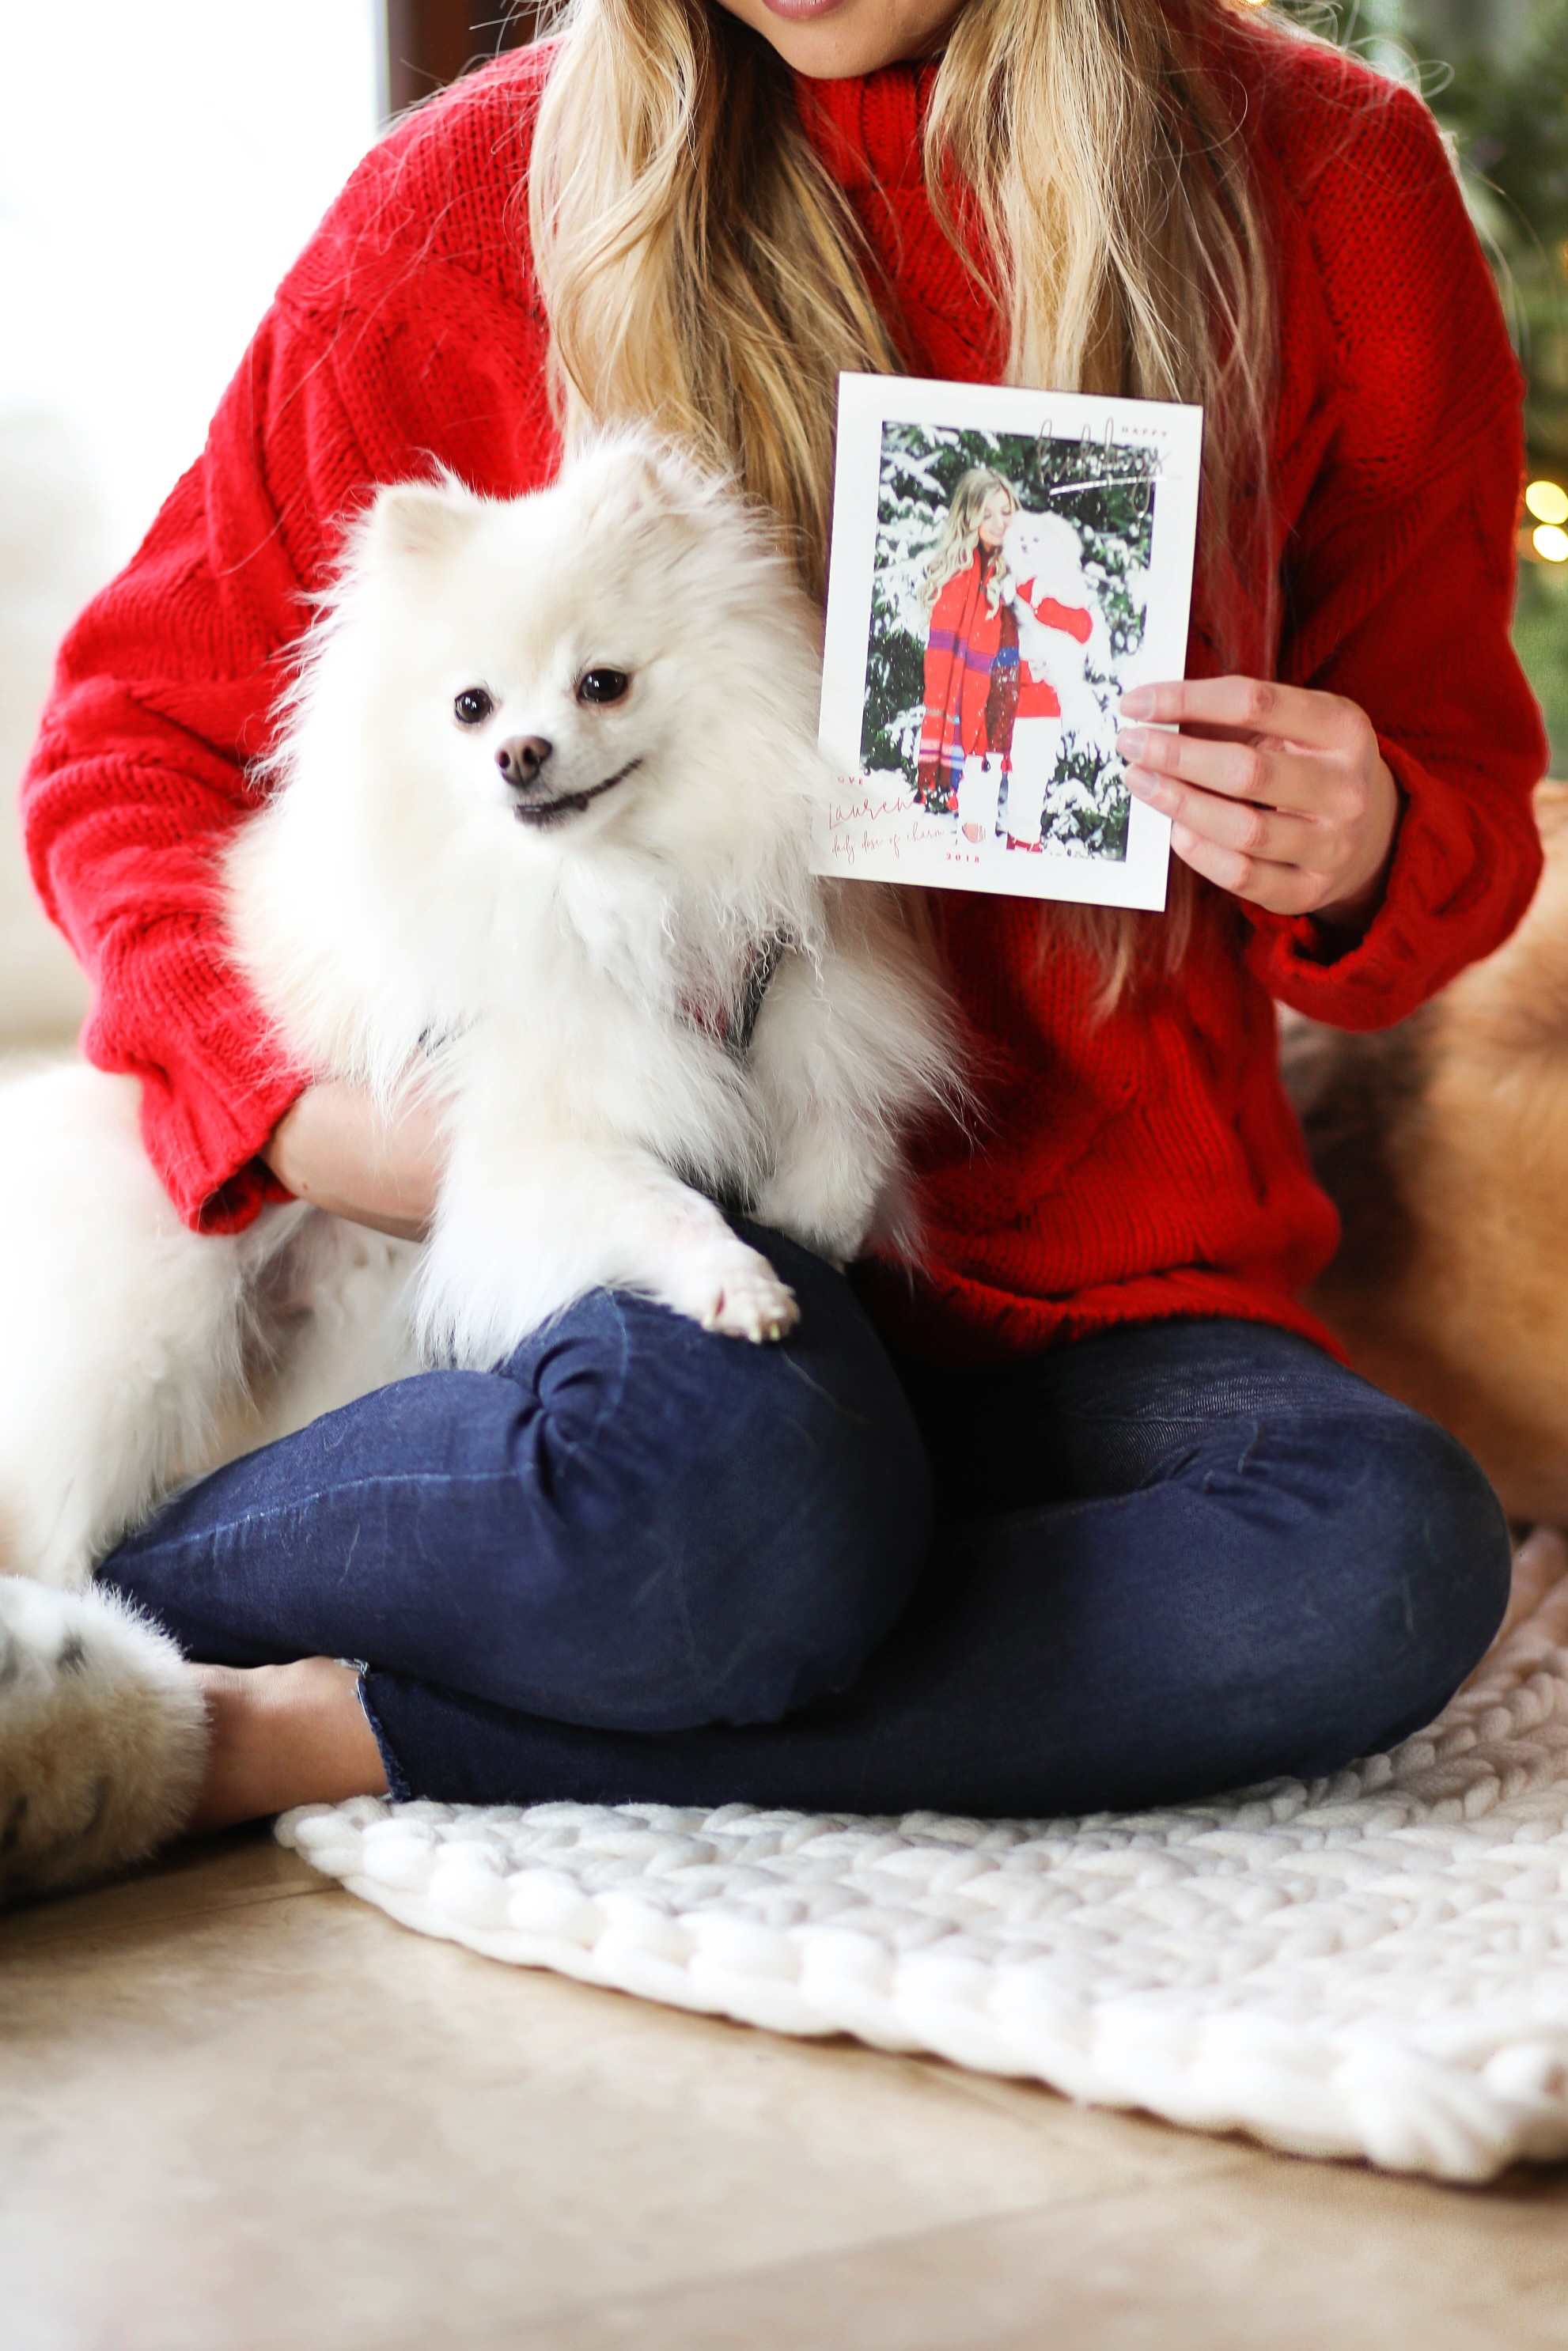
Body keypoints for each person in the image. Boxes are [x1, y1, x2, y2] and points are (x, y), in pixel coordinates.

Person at [21, 0, 1549, 1836]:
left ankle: (328, 1729)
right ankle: (110, 1578)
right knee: (734, 1502)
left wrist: (1366, 832)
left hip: (1109, 1288)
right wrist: (292, 1115)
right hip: (683, 1257)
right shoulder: (458, 207)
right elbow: (127, 744)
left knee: (1377, 1560)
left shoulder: (1333, 182)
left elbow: (1455, 815)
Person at [914, 466, 1019, 835]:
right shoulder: (956, 576)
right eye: (987, 513)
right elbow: (942, 662)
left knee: (993, 828)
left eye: (1006, 511)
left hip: (1016, 707)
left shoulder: (1023, 568)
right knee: (971, 834)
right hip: (973, 722)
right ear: (969, 516)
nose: (999, 523)